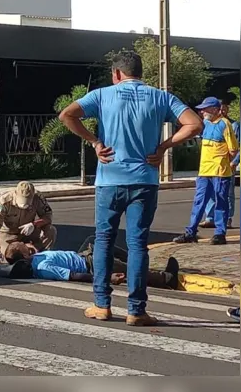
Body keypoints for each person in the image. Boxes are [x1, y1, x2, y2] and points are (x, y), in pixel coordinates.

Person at [58, 50, 202, 326]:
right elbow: (194, 124)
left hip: (110, 179)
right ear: (141, 73)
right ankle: (136, 310)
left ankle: (102, 305)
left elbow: (67, 115)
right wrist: (164, 146)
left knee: (103, 240)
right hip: (145, 180)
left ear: (116, 74)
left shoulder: (102, 95)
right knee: (138, 245)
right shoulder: (160, 97)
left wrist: (95, 142)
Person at [173, 97, 239, 246]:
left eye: (205, 108)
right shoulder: (205, 124)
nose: (202, 111)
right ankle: (191, 232)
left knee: (221, 202)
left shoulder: (225, 124)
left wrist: (225, 163)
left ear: (215, 110)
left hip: (220, 172)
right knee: (199, 202)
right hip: (204, 171)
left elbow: (233, 150)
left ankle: (220, 234)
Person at [3, 240, 180, 290]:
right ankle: (166, 279)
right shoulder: (43, 268)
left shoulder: (36, 258)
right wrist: (106, 278)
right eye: (25, 249)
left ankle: (138, 258)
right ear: (24, 258)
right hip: (90, 265)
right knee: (124, 269)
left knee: (99, 241)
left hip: (83, 256)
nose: (28, 247)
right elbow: (73, 276)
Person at [0, 181, 57, 263]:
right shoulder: (3, 201)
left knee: (50, 230)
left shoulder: (38, 198)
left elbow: (48, 217)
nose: (24, 205)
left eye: (28, 203)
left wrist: (34, 224)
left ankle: (43, 256)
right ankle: (28, 249)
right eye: (22, 201)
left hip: (29, 230)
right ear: (16, 194)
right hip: (8, 234)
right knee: (8, 258)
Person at [200, 101, 238, 229]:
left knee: (226, 194)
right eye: (220, 109)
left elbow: (236, 147)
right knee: (210, 193)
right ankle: (210, 217)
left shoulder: (233, 125)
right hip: (210, 166)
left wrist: (233, 162)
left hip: (226, 165)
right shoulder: (208, 123)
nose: (222, 111)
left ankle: (227, 219)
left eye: (224, 109)